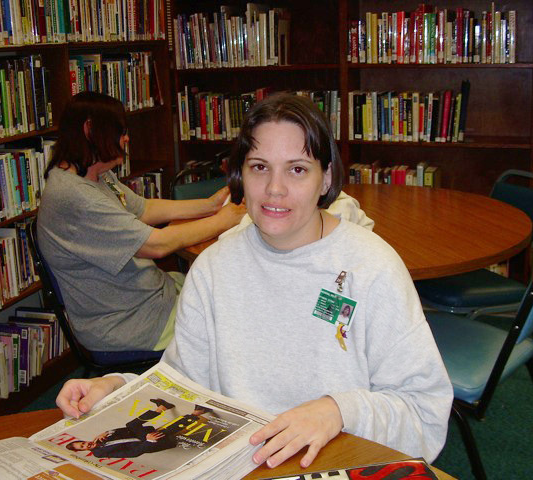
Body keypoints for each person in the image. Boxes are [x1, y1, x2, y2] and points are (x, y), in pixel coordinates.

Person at [56, 93, 452, 470]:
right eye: (259, 167)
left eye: (297, 169)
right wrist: (115, 389)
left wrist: (337, 410)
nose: (275, 189)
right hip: (243, 464)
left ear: (326, 178)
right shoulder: (213, 269)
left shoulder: (373, 267)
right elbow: (182, 385)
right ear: (239, 177)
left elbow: (424, 414)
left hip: (340, 460)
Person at [37, 92, 245, 352]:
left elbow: (144, 208)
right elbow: (155, 245)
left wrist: (209, 206)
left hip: (147, 295)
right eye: (119, 131)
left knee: (228, 292)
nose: (126, 138)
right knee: (234, 324)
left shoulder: (93, 173)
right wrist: (223, 220)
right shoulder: (77, 198)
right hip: (130, 321)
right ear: (90, 130)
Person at [65, 402, 211, 458]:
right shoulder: (100, 452)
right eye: (83, 447)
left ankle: (162, 408)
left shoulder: (98, 440)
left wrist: (108, 432)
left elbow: (124, 432)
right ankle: (197, 413)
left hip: (141, 436)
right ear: (83, 451)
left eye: (83, 443)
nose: (87, 445)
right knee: (161, 434)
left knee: (131, 424)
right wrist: (148, 440)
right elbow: (132, 453)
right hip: (146, 443)